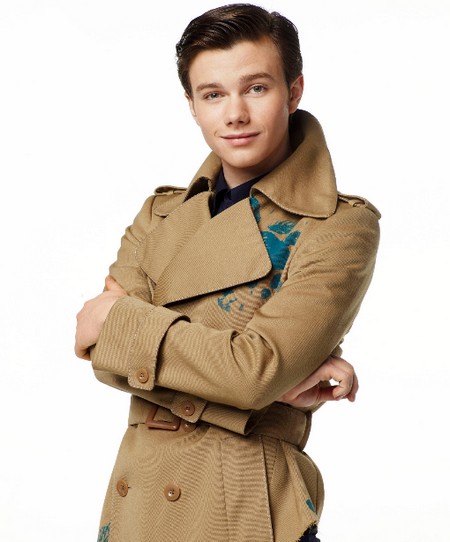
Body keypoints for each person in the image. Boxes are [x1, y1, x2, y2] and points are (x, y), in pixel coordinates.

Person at [75, 4, 380, 541]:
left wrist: (258, 381)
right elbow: (98, 350)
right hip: (137, 496)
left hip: (239, 504)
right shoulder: (160, 214)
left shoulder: (338, 226)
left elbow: (251, 372)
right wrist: (265, 386)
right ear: (192, 105)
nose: (235, 113)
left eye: (256, 88)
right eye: (213, 94)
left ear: (294, 91)